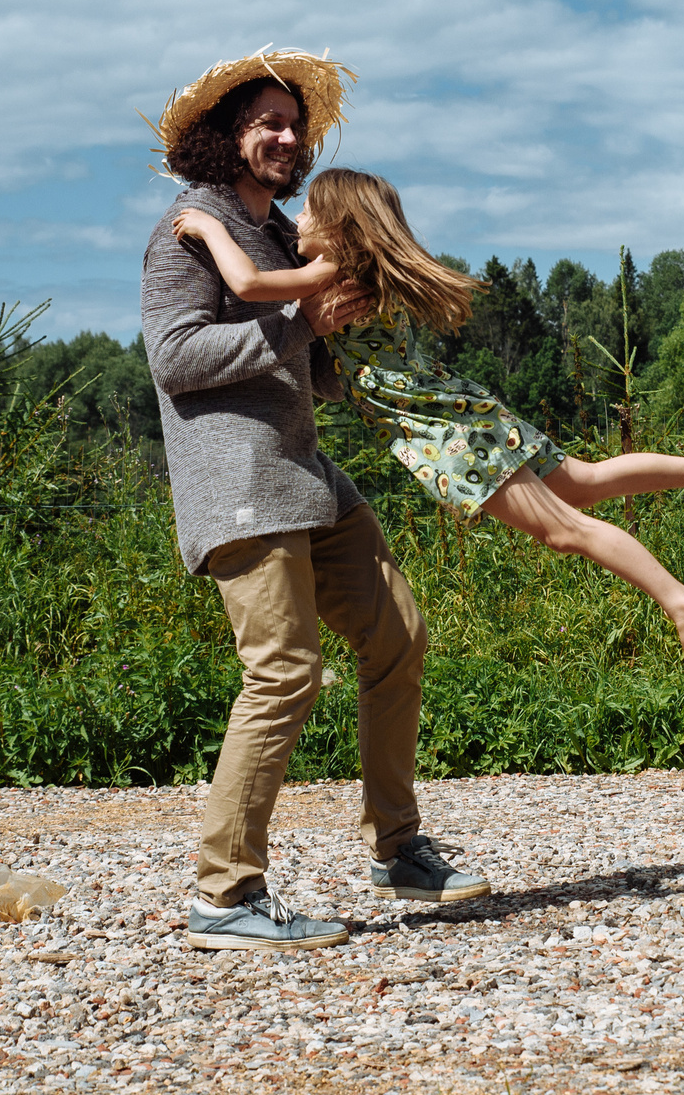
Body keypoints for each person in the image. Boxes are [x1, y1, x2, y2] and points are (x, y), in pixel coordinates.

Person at [140, 48, 485, 955]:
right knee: (285, 670)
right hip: (239, 485)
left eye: (295, 124)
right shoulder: (189, 228)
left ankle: (398, 847)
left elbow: (306, 366)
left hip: (303, 477)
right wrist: (296, 323)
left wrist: (337, 335)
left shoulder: (284, 234)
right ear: (227, 136)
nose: (286, 136)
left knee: (397, 632)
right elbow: (177, 359)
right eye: (267, 122)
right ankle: (226, 892)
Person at [173, 166, 684, 692]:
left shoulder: (333, 273)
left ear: (340, 225)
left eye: (307, 212)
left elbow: (248, 284)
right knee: (581, 482)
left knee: (564, 529)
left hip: (443, 431)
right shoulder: (361, 268)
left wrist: (209, 225)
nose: (294, 218)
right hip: (461, 408)